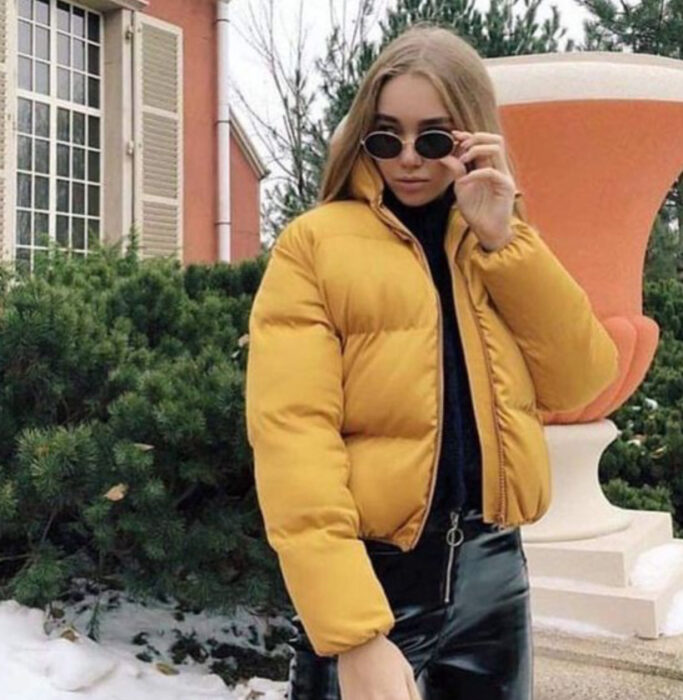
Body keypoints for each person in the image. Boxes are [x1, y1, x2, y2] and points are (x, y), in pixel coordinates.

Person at [245, 22, 619, 700]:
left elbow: (581, 380)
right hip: (375, 577)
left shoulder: (495, 243)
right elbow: (293, 441)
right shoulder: (314, 247)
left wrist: (504, 240)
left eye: (435, 137)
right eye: (387, 137)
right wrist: (354, 633)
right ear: (364, 135)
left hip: (493, 572)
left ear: (471, 135)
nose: (408, 158)